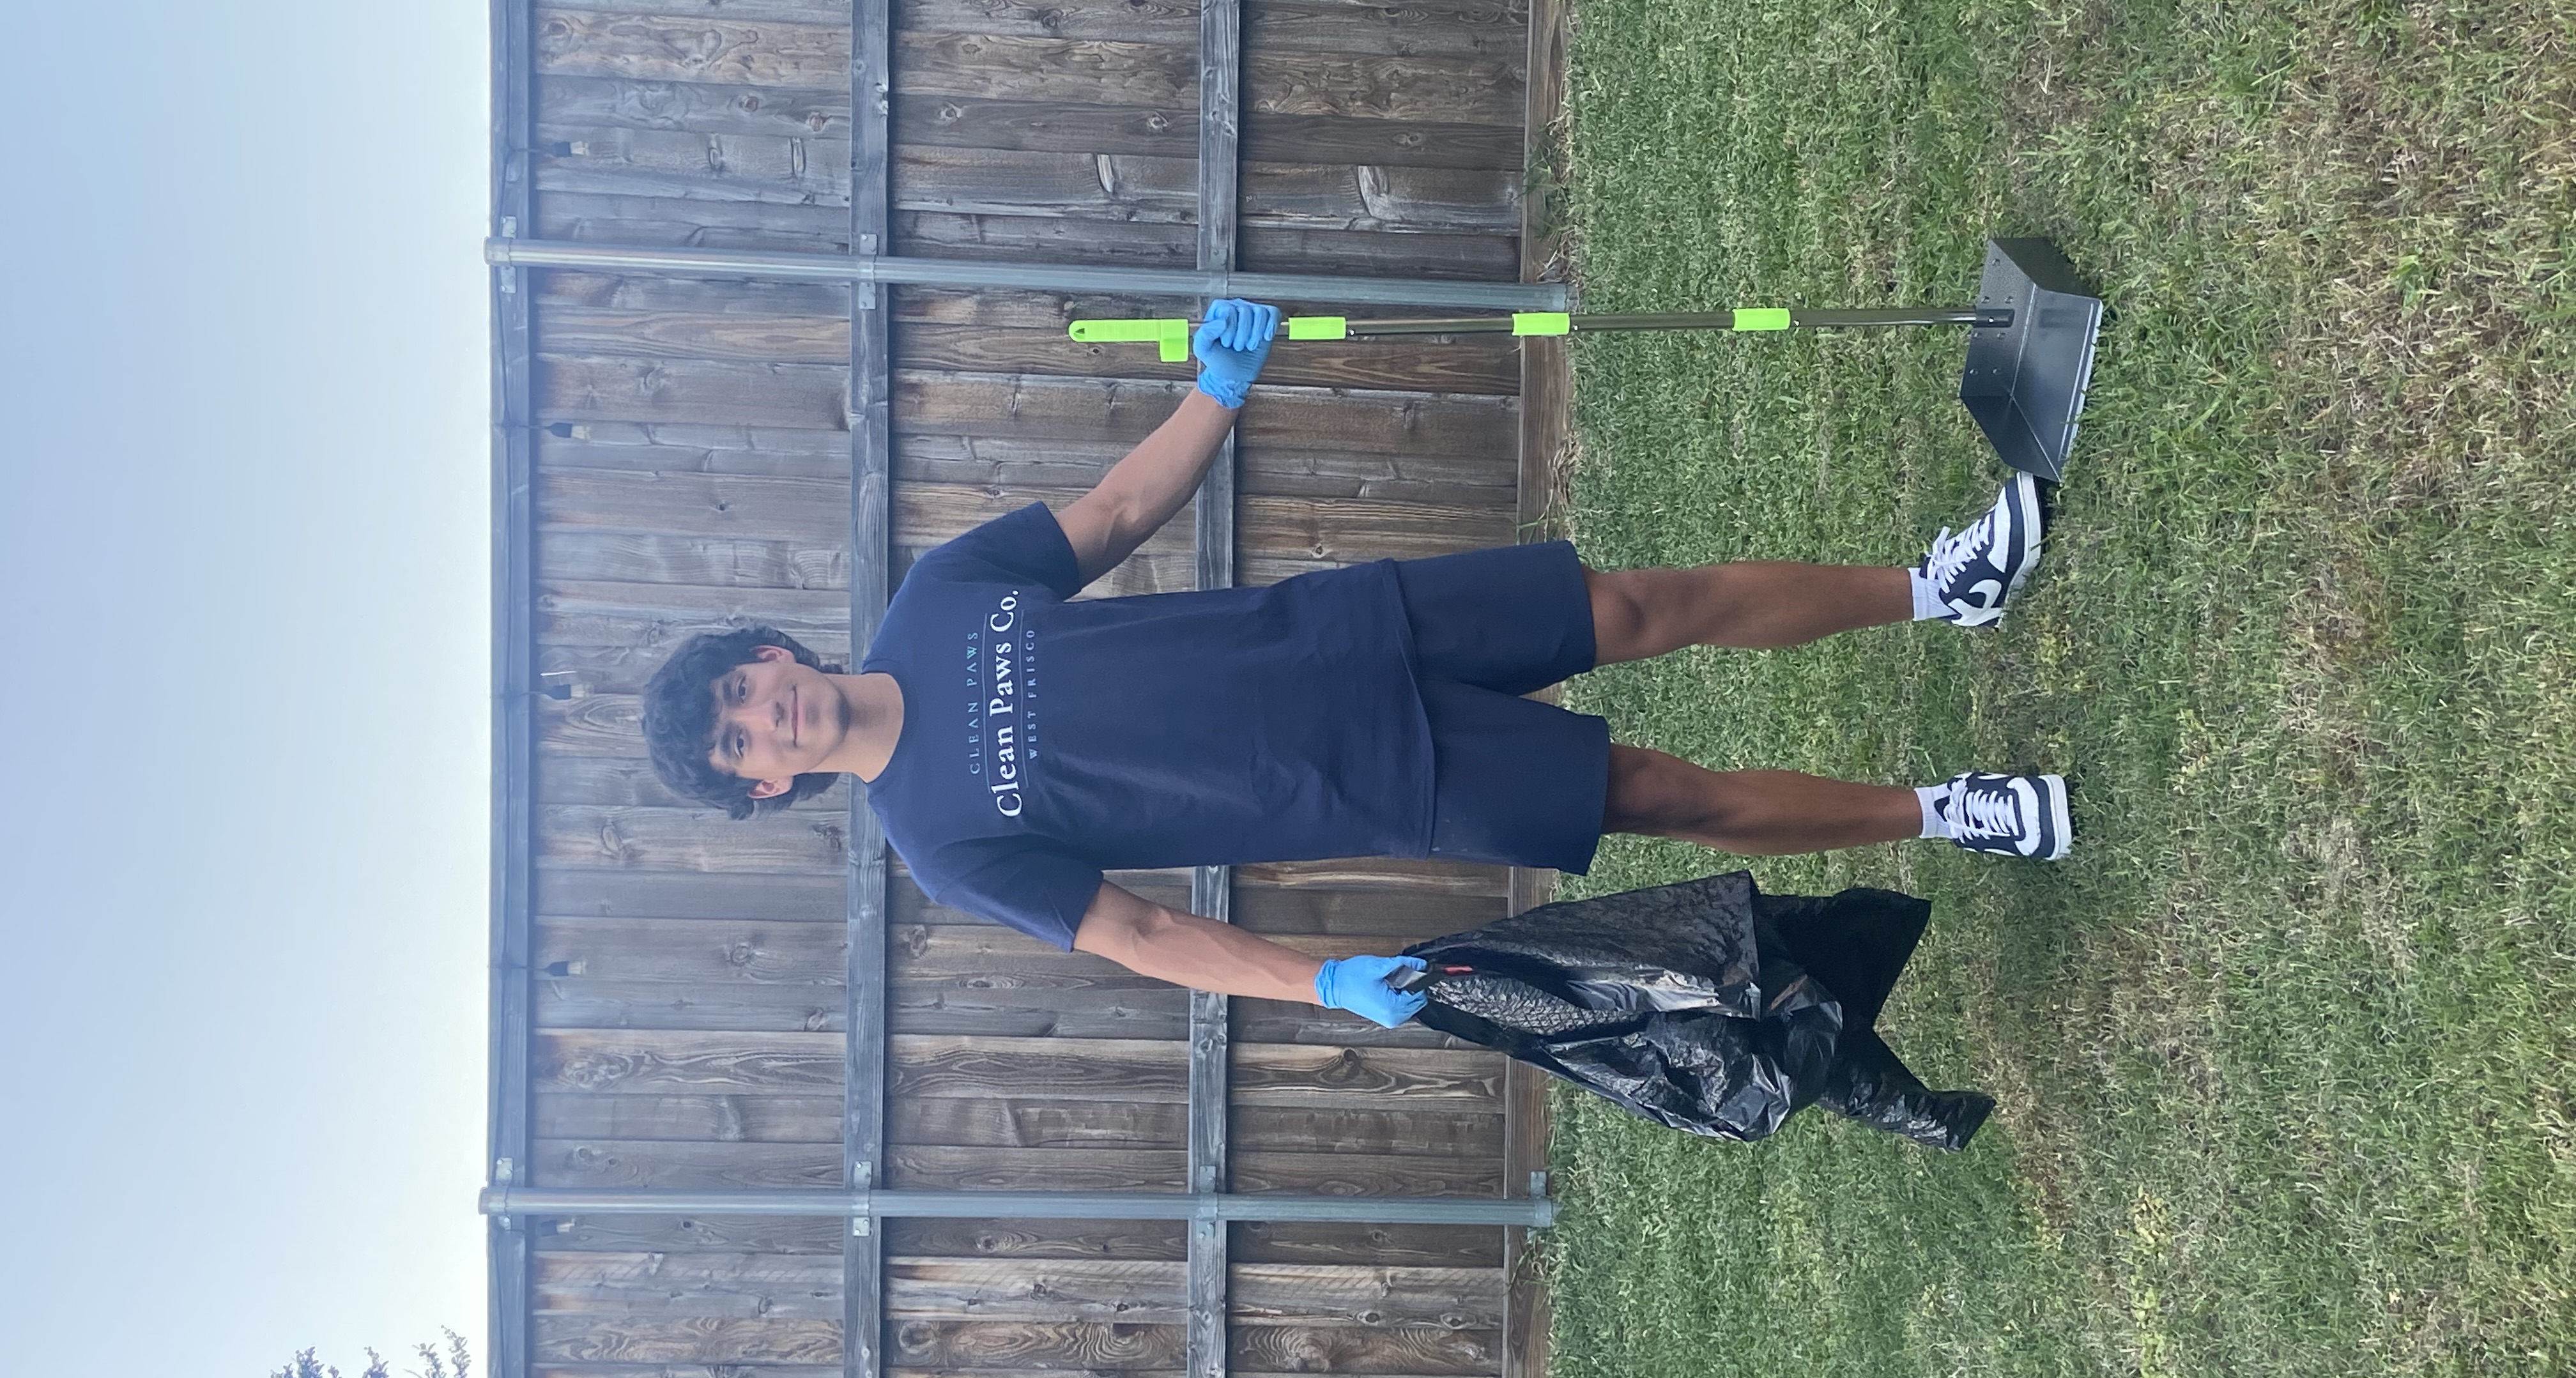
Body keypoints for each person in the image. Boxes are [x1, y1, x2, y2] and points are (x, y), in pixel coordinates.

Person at [643, 301, 2070, 1030]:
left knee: (1646, 602)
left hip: (1352, 627)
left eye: (743, 691)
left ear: (774, 653)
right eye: (742, 744)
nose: (764, 718)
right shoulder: (946, 846)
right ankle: (1959, 811)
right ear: (771, 789)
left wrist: (1216, 388)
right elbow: (1144, 938)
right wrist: (1318, 982)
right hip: (1374, 775)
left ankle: (1946, 587)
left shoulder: (941, 597)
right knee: (1667, 795)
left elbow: (1119, 512)